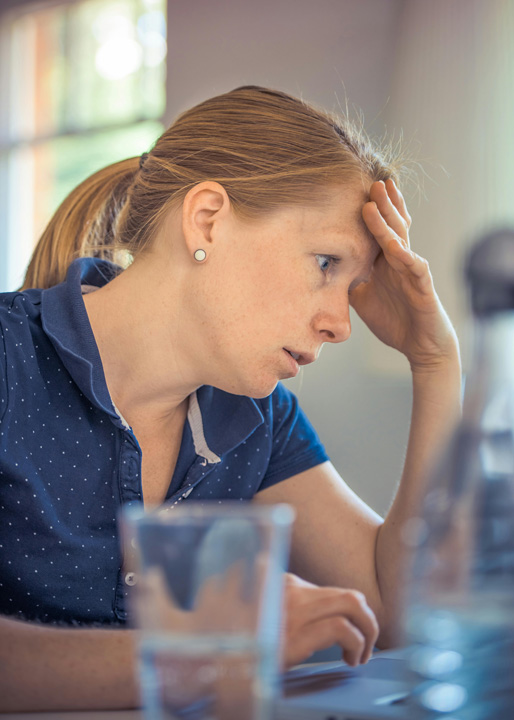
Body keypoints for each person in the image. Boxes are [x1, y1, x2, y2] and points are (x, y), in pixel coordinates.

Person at [0, 85, 461, 711]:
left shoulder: (256, 417)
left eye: (351, 288)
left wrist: (435, 363)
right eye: (326, 262)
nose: (341, 324)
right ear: (207, 219)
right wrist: (210, 654)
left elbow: (398, 609)